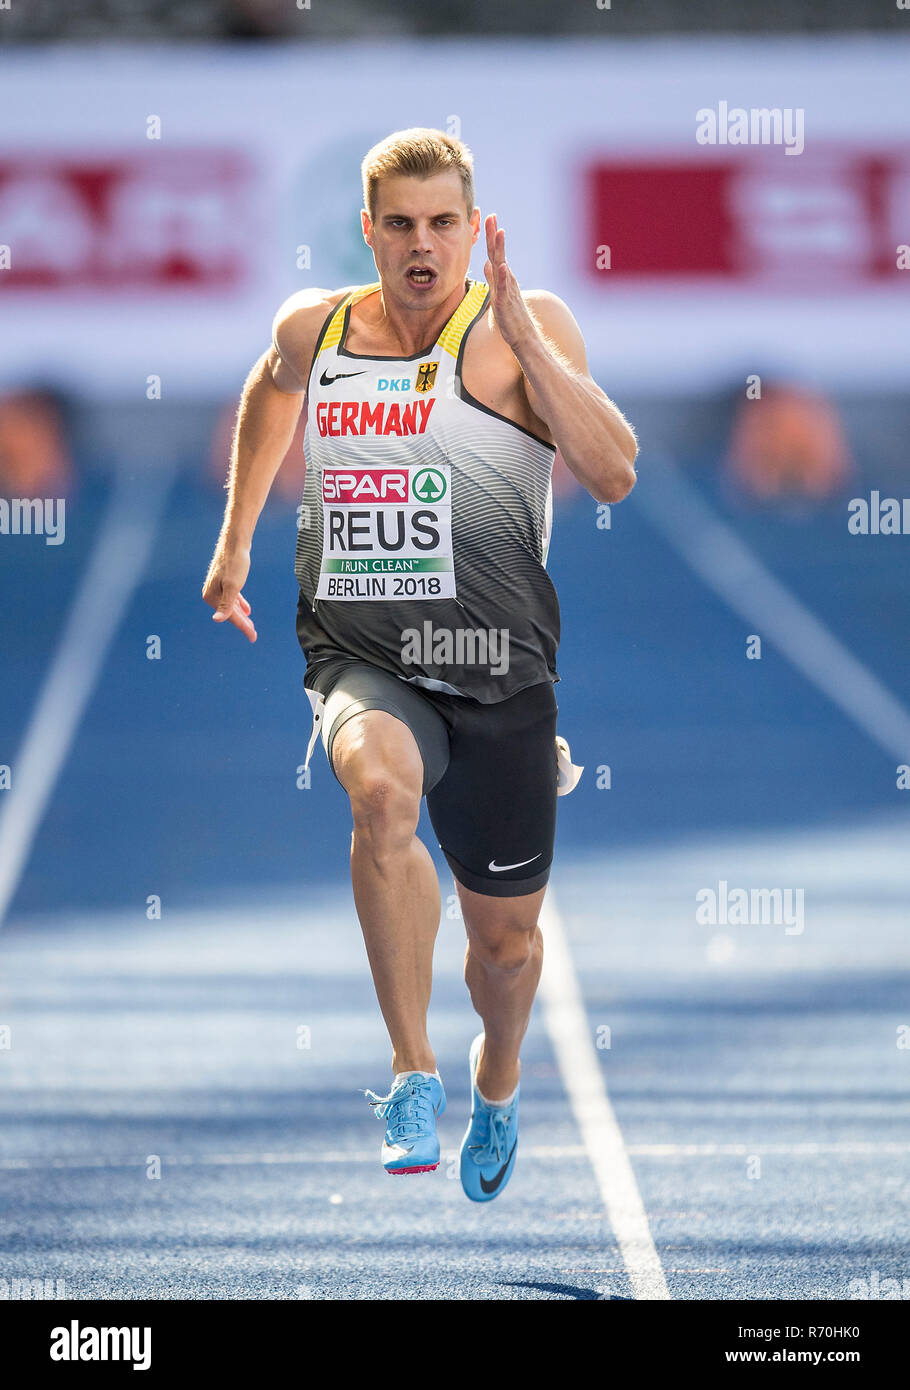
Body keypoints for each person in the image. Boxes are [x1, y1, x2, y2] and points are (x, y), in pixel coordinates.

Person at [202, 128, 637, 1202]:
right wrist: (234, 543)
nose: (421, 245)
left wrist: (534, 346)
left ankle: (495, 1078)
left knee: (507, 951)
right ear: (367, 233)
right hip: (360, 650)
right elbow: (271, 388)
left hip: (496, 665)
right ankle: (410, 1070)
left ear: (472, 228)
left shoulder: (518, 334)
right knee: (380, 791)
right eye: (399, 224)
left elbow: (614, 472)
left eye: (442, 222)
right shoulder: (321, 328)